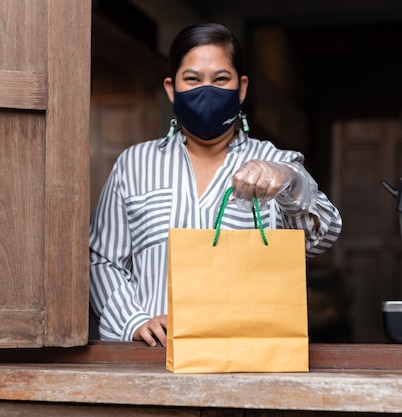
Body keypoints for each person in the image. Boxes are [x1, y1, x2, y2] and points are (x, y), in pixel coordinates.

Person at [89, 23, 342, 347]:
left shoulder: (274, 161)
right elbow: (102, 259)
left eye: (221, 79)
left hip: (248, 354)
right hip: (151, 357)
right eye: (193, 79)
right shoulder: (134, 164)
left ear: (241, 87)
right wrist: (133, 321)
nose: (206, 90)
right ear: (171, 88)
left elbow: (323, 237)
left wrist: (290, 181)